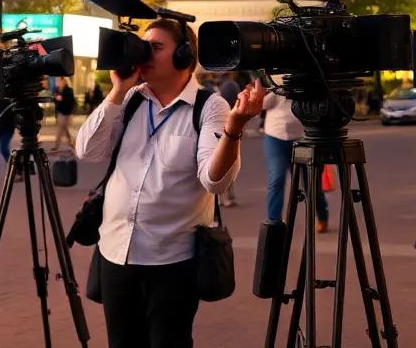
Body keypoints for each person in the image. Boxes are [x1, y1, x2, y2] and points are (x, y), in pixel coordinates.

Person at [76, 18, 264, 348]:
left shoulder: (209, 106)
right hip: (116, 253)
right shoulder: (131, 99)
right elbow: (87, 151)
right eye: (143, 46)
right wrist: (117, 90)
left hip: (172, 260)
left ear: (183, 56)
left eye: (155, 47)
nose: (144, 53)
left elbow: (214, 181)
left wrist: (234, 129)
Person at [261, 90, 331, 232]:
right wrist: (275, 89)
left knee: (310, 181)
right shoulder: (272, 78)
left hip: (302, 136)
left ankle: (322, 215)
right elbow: (262, 105)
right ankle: (274, 225)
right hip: (275, 135)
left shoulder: (303, 76)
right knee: (277, 178)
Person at [216, 74, 243, 207]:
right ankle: (228, 197)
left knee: (221, 165)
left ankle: (221, 199)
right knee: (230, 164)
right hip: (230, 129)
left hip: (220, 130)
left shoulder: (218, 90)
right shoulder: (233, 86)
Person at [50, 77, 75, 152]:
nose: (58, 83)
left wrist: (61, 99)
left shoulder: (69, 91)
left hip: (65, 112)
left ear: (64, 82)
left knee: (60, 129)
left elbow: (71, 102)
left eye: (59, 82)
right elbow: (55, 100)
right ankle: (71, 142)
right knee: (64, 128)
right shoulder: (59, 90)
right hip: (60, 112)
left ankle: (56, 145)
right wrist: (56, 99)